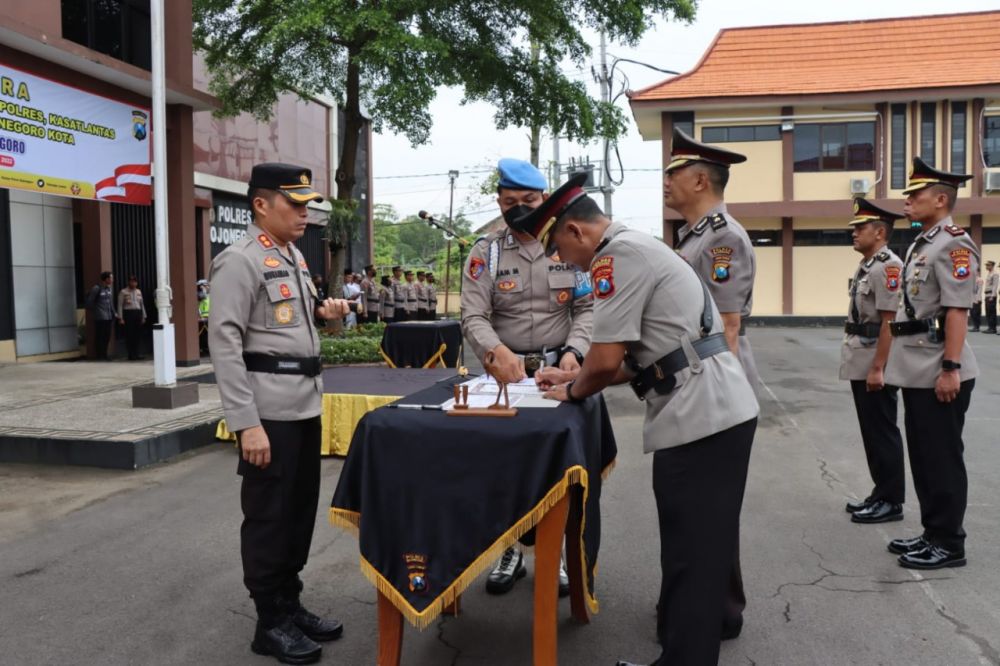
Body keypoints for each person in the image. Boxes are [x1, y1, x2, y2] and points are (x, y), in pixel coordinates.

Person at [526, 175, 758, 666]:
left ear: (576, 232)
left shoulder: (615, 256)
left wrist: (571, 387)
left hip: (700, 412)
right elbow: (637, 359)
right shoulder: (638, 246)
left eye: (562, 252)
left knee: (688, 546)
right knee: (707, 534)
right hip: (714, 403)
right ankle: (720, 619)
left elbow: (607, 361)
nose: (568, 265)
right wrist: (573, 377)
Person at [208, 163, 349, 664]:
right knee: (269, 516)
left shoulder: (290, 256)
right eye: (295, 205)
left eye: (308, 205)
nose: (305, 215)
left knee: (297, 512)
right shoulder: (239, 261)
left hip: (303, 405)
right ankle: (269, 621)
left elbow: (288, 326)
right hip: (267, 413)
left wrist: (323, 316)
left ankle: (289, 602)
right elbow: (224, 344)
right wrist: (247, 423)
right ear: (261, 205)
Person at [461, 158, 594, 597]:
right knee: (503, 468)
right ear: (499, 202)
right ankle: (509, 549)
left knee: (557, 466)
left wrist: (575, 351)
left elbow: (586, 308)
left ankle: (555, 552)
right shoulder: (488, 252)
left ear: (545, 201)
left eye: (529, 201)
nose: (519, 209)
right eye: (510, 202)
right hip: (507, 378)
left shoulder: (566, 245)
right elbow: (473, 314)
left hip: (559, 375)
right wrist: (495, 350)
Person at [661, 128, 757, 640]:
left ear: (699, 178)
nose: (666, 184)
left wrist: (718, 405)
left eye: (672, 174)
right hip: (694, 381)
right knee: (706, 510)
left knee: (711, 508)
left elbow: (729, 326)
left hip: (714, 389)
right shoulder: (694, 235)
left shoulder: (722, 238)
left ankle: (719, 610)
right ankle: (717, 607)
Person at [884, 156, 978, 570]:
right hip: (918, 365)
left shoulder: (953, 242)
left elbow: (957, 311)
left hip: (940, 366)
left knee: (941, 458)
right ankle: (932, 531)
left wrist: (950, 368)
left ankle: (949, 542)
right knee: (923, 457)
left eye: (915, 195)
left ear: (941, 199)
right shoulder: (925, 241)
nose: (907, 202)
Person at [839, 198, 906, 525]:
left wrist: (879, 367)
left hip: (874, 361)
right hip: (862, 356)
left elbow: (889, 322)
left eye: (860, 227)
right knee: (872, 431)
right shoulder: (868, 264)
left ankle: (891, 501)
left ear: (879, 232)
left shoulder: (886, 267)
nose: (854, 232)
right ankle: (881, 492)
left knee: (882, 431)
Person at [85, 271, 116, 360]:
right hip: (100, 317)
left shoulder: (109, 289)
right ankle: (99, 356)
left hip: (108, 317)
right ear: (106, 279)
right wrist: (95, 312)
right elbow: (90, 302)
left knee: (107, 337)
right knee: (100, 337)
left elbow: (110, 303)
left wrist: (114, 313)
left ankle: (104, 355)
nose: (112, 280)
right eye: (111, 278)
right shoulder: (97, 288)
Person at [117, 275, 146, 361]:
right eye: (132, 281)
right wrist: (121, 318)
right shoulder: (123, 292)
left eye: (135, 281)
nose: (133, 283)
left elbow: (142, 304)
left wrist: (143, 316)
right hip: (128, 314)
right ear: (128, 282)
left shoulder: (138, 292)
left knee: (137, 335)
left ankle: (137, 353)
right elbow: (120, 305)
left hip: (138, 313)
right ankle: (131, 354)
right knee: (129, 335)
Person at [197, 279, 211, 354]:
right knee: (202, 334)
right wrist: (203, 290)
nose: (208, 287)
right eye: (206, 285)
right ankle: (202, 348)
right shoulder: (200, 294)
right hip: (202, 318)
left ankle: (207, 348)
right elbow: (201, 297)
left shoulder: (210, 295)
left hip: (209, 318)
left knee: (208, 335)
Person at [983, 260, 997, 333]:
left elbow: (995, 285)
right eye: (986, 265)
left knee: (992, 313)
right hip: (987, 295)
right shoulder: (989, 274)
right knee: (988, 312)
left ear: (992, 266)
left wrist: (993, 296)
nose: (986, 266)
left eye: (988, 265)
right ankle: (989, 327)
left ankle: (993, 328)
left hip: (991, 295)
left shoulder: (995, 274)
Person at [969, 268, 983, 332]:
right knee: (972, 313)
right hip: (972, 299)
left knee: (976, 313)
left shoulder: (979, 280)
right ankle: (975, 326)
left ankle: (977, 327)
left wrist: (977, 299)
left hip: (977, 299)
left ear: (978, 272)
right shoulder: (972, 280)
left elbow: (979, 290)